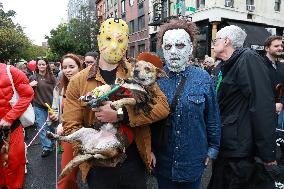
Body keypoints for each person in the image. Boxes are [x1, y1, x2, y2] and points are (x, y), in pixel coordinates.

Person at [61, 18, 169, 189]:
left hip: (134, 163)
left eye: (120, 40)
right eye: (108, 39)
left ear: (127, 42)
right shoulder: (78, 81)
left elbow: (162, 107)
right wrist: (96, 148)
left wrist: (123, 115)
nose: (113, 46)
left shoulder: (138, 71)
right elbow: (71, 125)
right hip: (98, 168)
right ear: (99, 39)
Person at [152, 19, 221, 189]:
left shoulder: (203, 78)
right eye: (168, 47)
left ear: (190, 48)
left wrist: (212, 149)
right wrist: (148, 149)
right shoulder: (156, 80)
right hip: (163, 162)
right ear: (162, 50)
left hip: (193, 161)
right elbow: (147, 120)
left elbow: (212, 117)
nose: (174, 51)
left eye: (180, 45)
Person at [208, 25, 277, 189]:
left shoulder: (248, 59)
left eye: (214, 40)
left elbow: (261, 105)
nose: (211, 44)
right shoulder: (225, 65)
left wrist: (268, 153)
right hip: (227, 145)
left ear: (226, 41)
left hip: (240, 151)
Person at [49, 53, 83, 189]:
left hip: (89, 133)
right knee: (67, 176)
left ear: (79, 67)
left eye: (71, 67)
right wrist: (54, 116)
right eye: (64, 67)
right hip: (68, 135)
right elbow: (55, 109)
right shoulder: (59, 88)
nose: (68, 70)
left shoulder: (88, 85)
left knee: (96, 177)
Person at [0, 63, 34, 189]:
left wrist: (9, 117)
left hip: (11, 127)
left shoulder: (11, 71)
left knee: (14, 162)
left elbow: (27, 94)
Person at [263, 36, 284, 165]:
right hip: (263, 109)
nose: (280, 48)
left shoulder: (281, 66)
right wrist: (271, 104)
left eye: (281, 46)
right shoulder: (259, 64)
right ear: (267, 48)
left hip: (279, 110)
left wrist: (281, 102)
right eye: (276, 46)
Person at [29, 57, 56, 157]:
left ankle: (53, 143)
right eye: (39, 64)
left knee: (51, 127)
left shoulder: (52, 78)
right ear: (37, 66)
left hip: (51, 106)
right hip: (38, 106)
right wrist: (29, 85)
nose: (41, 66)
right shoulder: (33, 77)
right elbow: (26, 91)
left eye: (43, 64)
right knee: (41, 127)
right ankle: (46, 147)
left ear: (47, 65)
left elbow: (57, 91)